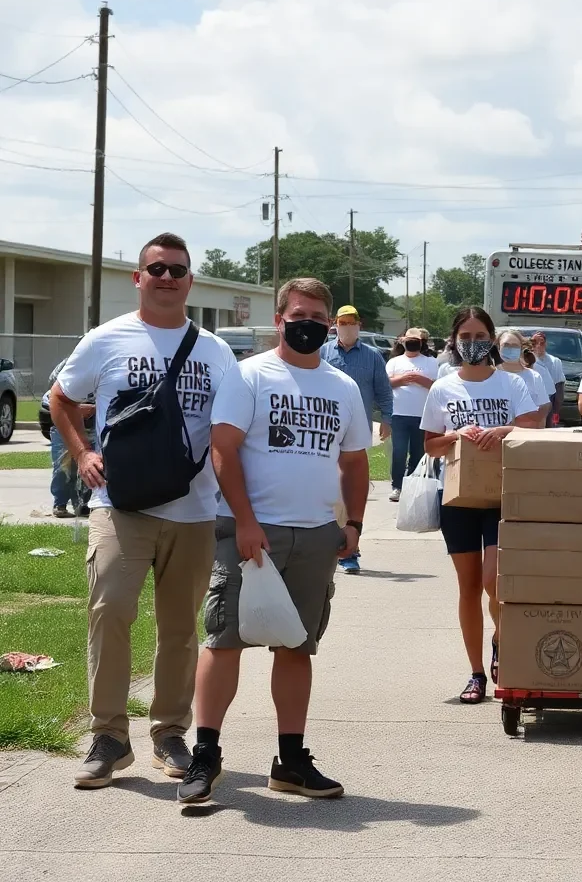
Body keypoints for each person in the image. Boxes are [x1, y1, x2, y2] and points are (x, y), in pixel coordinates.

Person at [50, 232, 236, 789]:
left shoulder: (216, 351)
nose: (167, 278)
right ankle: (108, 736)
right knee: (110, 611)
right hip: (119, 503)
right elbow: (60, 397)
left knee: (180, 628)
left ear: (190, 280)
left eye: (177, 269)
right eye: (156, 268)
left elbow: (234, 428)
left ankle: (170, 733)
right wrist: (82, 452)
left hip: (196, 508)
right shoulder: (105, 340)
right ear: (139, 277)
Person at [177, 277, 370, 805]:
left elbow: (354, 462)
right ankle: (206, 754)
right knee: (224, 641)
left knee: (296, 646)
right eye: (298, 315)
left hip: (314, 535)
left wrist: (352, 525)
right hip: (249, 533)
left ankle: (290, 761)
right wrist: (244, 521)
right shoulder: (250, 376)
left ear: (330, 325)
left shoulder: (343, 386)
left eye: (318, 318)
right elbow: (224, 450)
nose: (307, 325)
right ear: (280, 318)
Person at [421, 308, 537, 703]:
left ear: (493, 338)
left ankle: (501, 644)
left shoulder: (511, 383)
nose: (474, 342)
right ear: (453, 341)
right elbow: (430, 443)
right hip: (457, 496)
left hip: (503, 493)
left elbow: (534, 427)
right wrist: (455, 434)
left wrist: (500, 430)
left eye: (481, 334)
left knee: (496, 580)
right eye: (465, 336)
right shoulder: (443, 387)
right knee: (468, 587)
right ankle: (475, 674)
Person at [320, 304, 392, 574]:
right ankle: (334, 543)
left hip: (358, 430)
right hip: (327, 429)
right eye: (342, 321)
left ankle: (350, 548)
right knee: (332, 491)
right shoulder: (323, 352)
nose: (347, 326)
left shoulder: (372, 356)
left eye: (352, 321)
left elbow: (383, 391)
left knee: (350, 490)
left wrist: (387, 419)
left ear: (359, 325)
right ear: (334, 324)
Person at [386, 328, 438, 501]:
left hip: (422, 415)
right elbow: (385, 385)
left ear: (421, 343)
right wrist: (400, 380)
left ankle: (411, 484)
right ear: (403, 341)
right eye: (409, 339)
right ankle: (397, 486)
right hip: (399, 414)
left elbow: (438, 387)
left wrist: (423, 381)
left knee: (417, 452)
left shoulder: (431, 362)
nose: (412, 342)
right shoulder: (394, 362)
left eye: (416, 340)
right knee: (399, 451)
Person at [44, 357, 94, 518]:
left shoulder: (102, 366)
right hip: (65, 428)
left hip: (92, 425)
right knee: (63, 468)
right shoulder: (67, 366)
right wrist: (76, 410)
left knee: (90, 466)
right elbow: (51, 399)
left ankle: (83, 504)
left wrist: (94, 407)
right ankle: (60, 504)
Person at [497, 330, 550, 427]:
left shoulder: (534, 377)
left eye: (514, 346)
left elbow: (542, 415)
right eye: (506, 345)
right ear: (498, 348)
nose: (510, 349)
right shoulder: (490, 376)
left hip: (525, 436)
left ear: (521, 349)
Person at [531, 332, 565, 426]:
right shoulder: (526, 360)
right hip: (531, 400)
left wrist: (556, 412)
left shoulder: (555, 361)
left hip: (549, 400)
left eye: (541, 343)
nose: (538, 346)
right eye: (535, 343)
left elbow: (559, 388)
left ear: (545, 344)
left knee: (549, 428)